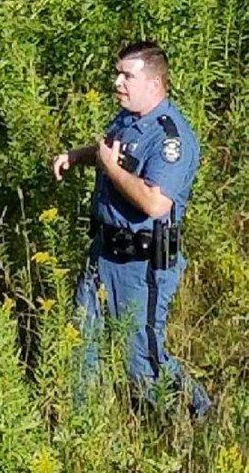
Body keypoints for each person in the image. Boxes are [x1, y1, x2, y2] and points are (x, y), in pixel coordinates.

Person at [53, 41, 212, 417]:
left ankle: (194, 415)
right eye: (117, 73)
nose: (117, 82)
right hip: (103, 254)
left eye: (127, 75)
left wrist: (109, 167)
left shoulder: (171, 138)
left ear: (154, 82)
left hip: (142, 266)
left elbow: (155, 203)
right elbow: (108, 150)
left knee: (141, 357)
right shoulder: (127, 119)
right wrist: (77, 156)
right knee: (82, 343)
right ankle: (83, 426)